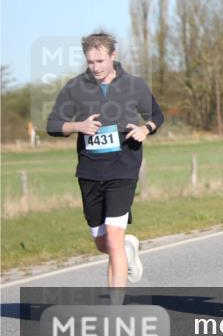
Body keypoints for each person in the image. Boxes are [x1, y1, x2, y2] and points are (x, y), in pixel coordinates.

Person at [46, 32, 163, 290]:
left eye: (100, 61)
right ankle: (128, 247)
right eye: (90, 62)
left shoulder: (134, 85)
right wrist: (79, 125)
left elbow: (156, 114)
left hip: (124, 167)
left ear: (113, 56)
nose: (95, 67)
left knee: (112, 237)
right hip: (89, 170)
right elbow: (53, 125)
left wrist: (147, 128)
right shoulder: (75, 87)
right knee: (103, 243)